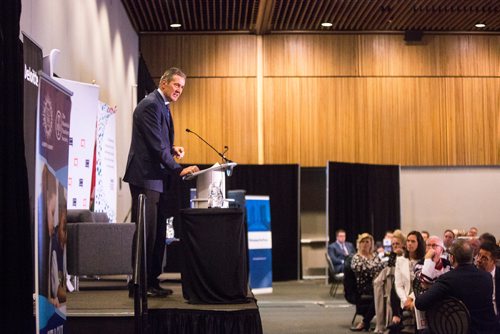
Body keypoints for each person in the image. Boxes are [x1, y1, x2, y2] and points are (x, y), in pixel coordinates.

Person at [123, 67, 199, 298]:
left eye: (182, 87)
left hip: (157, 179)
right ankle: (138, 285)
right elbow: (155, 146)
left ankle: (151, 282)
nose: (179, 90)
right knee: (146, 234)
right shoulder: (150, 105)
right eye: (176, 85)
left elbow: (159, 144)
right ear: (164, 83)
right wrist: (178, 169)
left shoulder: (162, 106)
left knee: (156, 234)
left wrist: (172, 149)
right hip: (146, 178)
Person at [415, 239, 499, 334]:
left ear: (452, 258)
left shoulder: (448, 279)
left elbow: (420, 303)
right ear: (472, 256)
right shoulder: (487, 277)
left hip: (460, 330)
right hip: (487, 330)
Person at [350, 233, 387, 331]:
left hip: (378, 283)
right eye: (362, 242)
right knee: (381, 294)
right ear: (359, 244)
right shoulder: (356, 258)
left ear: (371, 244)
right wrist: (378, 268)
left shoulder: (374, 255)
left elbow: (381, 268)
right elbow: (367, 272)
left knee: (388, 290)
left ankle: (386, 322)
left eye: (367, 242)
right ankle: (365, 322)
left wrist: (378, 269)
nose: (365, 244)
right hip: (364, 286)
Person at [372, 229, 406, 334]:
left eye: (397, 243)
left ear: (403, 244)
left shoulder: (406, 255)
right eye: (393, 244)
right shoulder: (393, 254)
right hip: (391, 282)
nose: (395, 246)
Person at [394, 231, 426, 332]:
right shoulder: (400, 260)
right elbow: (398, 285)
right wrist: (405, 301)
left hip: (420, 295)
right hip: (404, 299)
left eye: (413, 241)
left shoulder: (424, 260)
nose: (409, 243)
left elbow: (422, 284)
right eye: (408, 241)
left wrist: (411, 298)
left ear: (419, 243)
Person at [475, 241, 499, 321]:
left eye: (484, 258)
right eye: (479, 255)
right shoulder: (472, 276)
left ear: (494, 261)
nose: (478, 260)